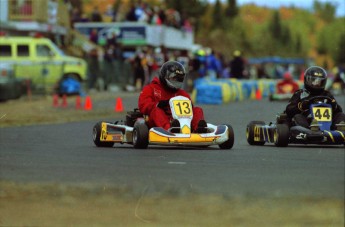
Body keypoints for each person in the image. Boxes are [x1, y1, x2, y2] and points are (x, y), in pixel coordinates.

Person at [138, 61, 207, 133]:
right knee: (156, 111)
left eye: (178, 79)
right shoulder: (151, 88)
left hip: (181, 120)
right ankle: (170, 129)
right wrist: (157, 104)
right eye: (174, 78)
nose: (176, 81)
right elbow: (143, 105)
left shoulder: (182, 94)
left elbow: (190, 110)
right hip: (158, 120)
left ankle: (198, 129)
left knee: (197, 110)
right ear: (164, 75)